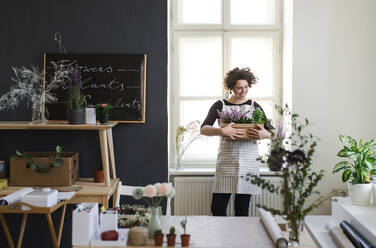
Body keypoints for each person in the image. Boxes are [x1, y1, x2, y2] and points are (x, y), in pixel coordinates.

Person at [200, 67, 274, 216]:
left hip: (248, 164)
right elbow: (203, 129)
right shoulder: (220, 105)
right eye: (239, 88)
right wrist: (221, 131)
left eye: (246, 87)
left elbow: (272, 132)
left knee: (242, 210)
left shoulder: (255, 106)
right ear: (231, 87)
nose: (243, 91)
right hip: (226, 162)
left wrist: (263, 134)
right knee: (217, 209)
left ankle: (240, 240)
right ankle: (222, 239)